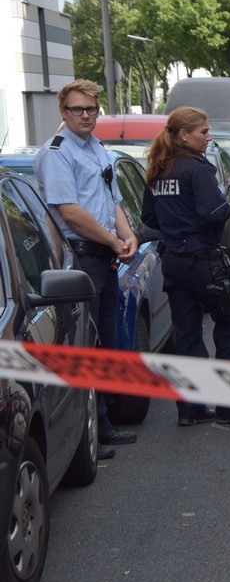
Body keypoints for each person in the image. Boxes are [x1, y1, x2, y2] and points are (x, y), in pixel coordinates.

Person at [34, 79, 138, 460]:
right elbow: (69, 212)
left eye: (91, 109)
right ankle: (90, 433)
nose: (85, 115)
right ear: (63, 112)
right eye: (77, 109)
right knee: (87, 343)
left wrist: (128, 238)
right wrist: (113, 242)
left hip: (104, 257)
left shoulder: (95, 147)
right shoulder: (58, 153)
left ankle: (104, 423)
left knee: (105, 341)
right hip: (82, 259)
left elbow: (114, 202)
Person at [141, 107, 230, 427]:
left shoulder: (158, 169)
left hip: (173, 262)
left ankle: (191, 408)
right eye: (203, 132)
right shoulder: (196, 170)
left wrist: (176, 226)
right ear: (184, 135)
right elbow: (214, 213)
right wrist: (218, 210)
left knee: (187, 334)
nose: (208, 138)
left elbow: (149, 218)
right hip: (201, 260)